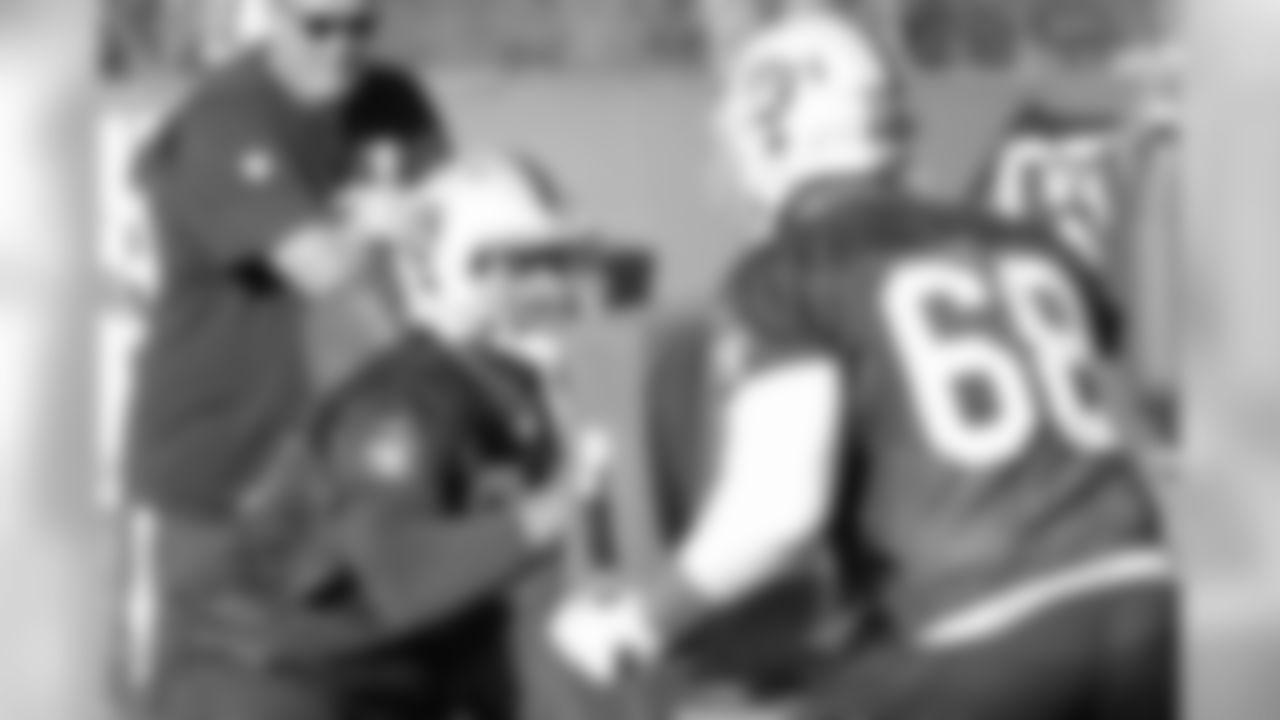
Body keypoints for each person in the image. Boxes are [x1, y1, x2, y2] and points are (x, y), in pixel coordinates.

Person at [549, 7, 1179, 720]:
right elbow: (1130, 436)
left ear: (764, 132)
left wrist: (638, 621)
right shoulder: (1030, 244)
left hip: (978, 632)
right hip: (1149, 604)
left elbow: (778, 512)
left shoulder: (790, 270)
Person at [124, 0, 448, 715]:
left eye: (360, 25)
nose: (341, 45)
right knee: (220, 689)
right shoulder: (225, 118)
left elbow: (452, 233)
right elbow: (321, 267)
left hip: (351, 473)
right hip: (227, 472)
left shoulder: (393, 102)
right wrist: (376, 221)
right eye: (318, 25)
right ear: (271, 18)